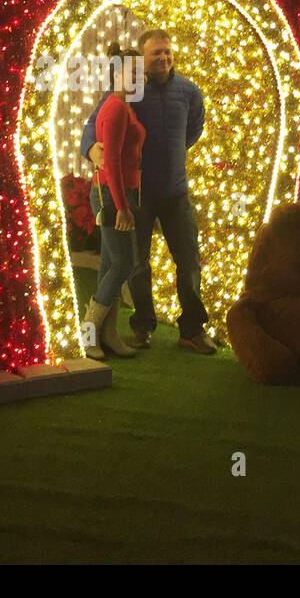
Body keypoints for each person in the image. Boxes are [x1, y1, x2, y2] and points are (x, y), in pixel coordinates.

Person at [82, 29, 216, 354]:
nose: (164, 58)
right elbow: (92, 126)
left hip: (175, 193)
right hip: (136, 196)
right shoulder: (130, 90)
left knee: (189, 261)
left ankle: (192, 330)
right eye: (156, 53)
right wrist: (92, 151)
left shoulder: (189, 92)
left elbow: (194, 130)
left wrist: (170, 156)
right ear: (142, 58)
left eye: (167, 52)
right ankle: (142, 326)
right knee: (136, 264)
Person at [83, 43, 145, 360]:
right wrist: (122, 206)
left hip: (120, 192)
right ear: (118, 72)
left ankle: (107, 334)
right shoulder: (116, 108)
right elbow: (112, 164)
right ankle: (88, 331)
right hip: (113, 193)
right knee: (124, 262)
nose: (137, 79)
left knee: (110, 263)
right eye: (132, 72)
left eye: (141, 74)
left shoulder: (124, 105)